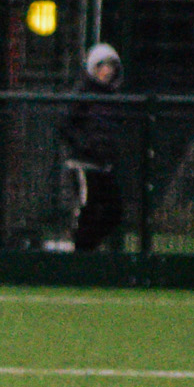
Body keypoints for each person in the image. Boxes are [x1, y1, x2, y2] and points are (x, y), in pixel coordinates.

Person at [59, 41, 128, 252]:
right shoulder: (83, 94)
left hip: (103, 165)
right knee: (87, 208)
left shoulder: (113, 99)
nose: (108, 71)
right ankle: (81, 252)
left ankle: (89, 247)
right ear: (94, 68)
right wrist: (84, 146)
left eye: (111, 67)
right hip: (84, 163)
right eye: (103, 66)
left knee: (114, 211)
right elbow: (65, 125)